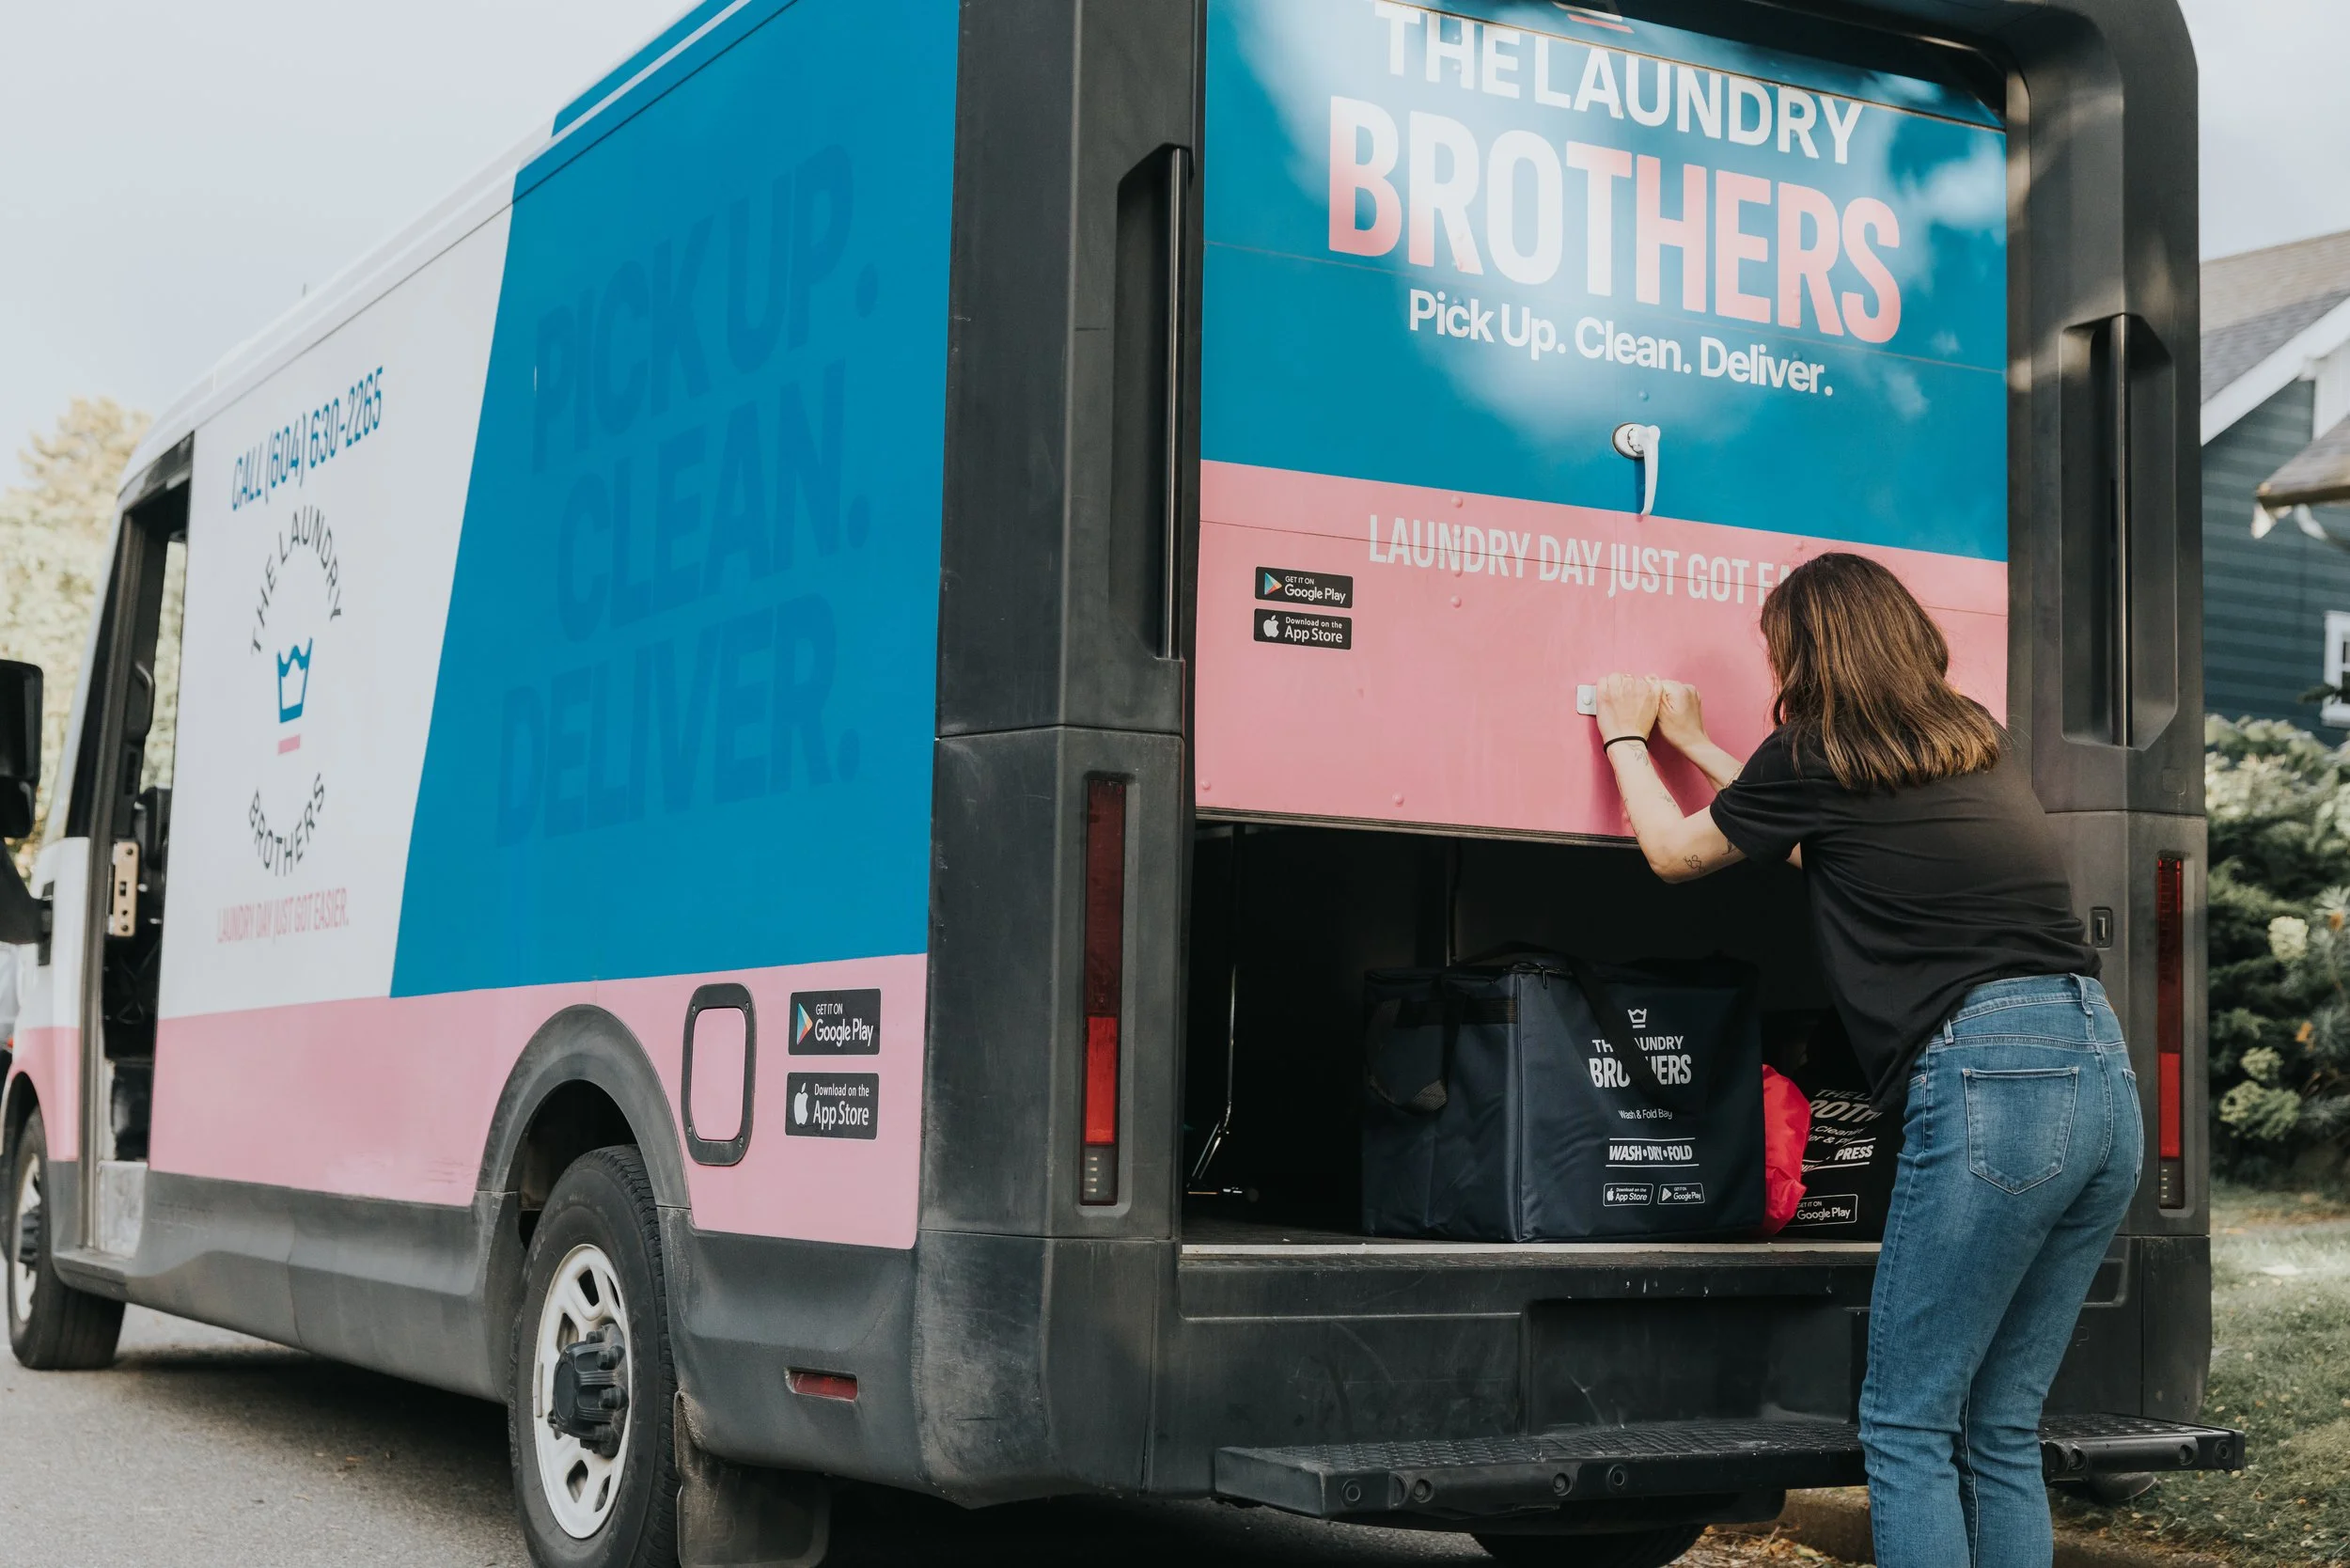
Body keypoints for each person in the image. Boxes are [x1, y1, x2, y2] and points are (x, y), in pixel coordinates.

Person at [1590, 551, 2138, 1568]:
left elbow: (1673, 853)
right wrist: (1709, 748)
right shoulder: (1973, 742)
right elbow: (1819, 843)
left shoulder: (1812, 754)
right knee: (2000, 1426)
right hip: (2099, 1072)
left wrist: (1627, 733)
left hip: (1994, 1079)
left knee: (1906, 1420)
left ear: (1804, 649)